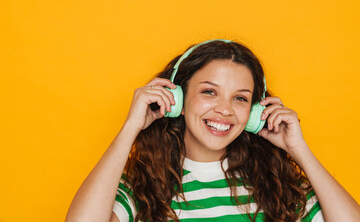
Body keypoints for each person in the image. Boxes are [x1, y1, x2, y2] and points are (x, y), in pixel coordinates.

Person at [66, 39, 360, 222]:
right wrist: (131, 127)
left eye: (241, 98)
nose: (225, 109)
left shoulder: (277, 186)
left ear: (255, 113)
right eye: (209, 92)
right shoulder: (142, 187)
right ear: (176, 99)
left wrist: (299, 150)